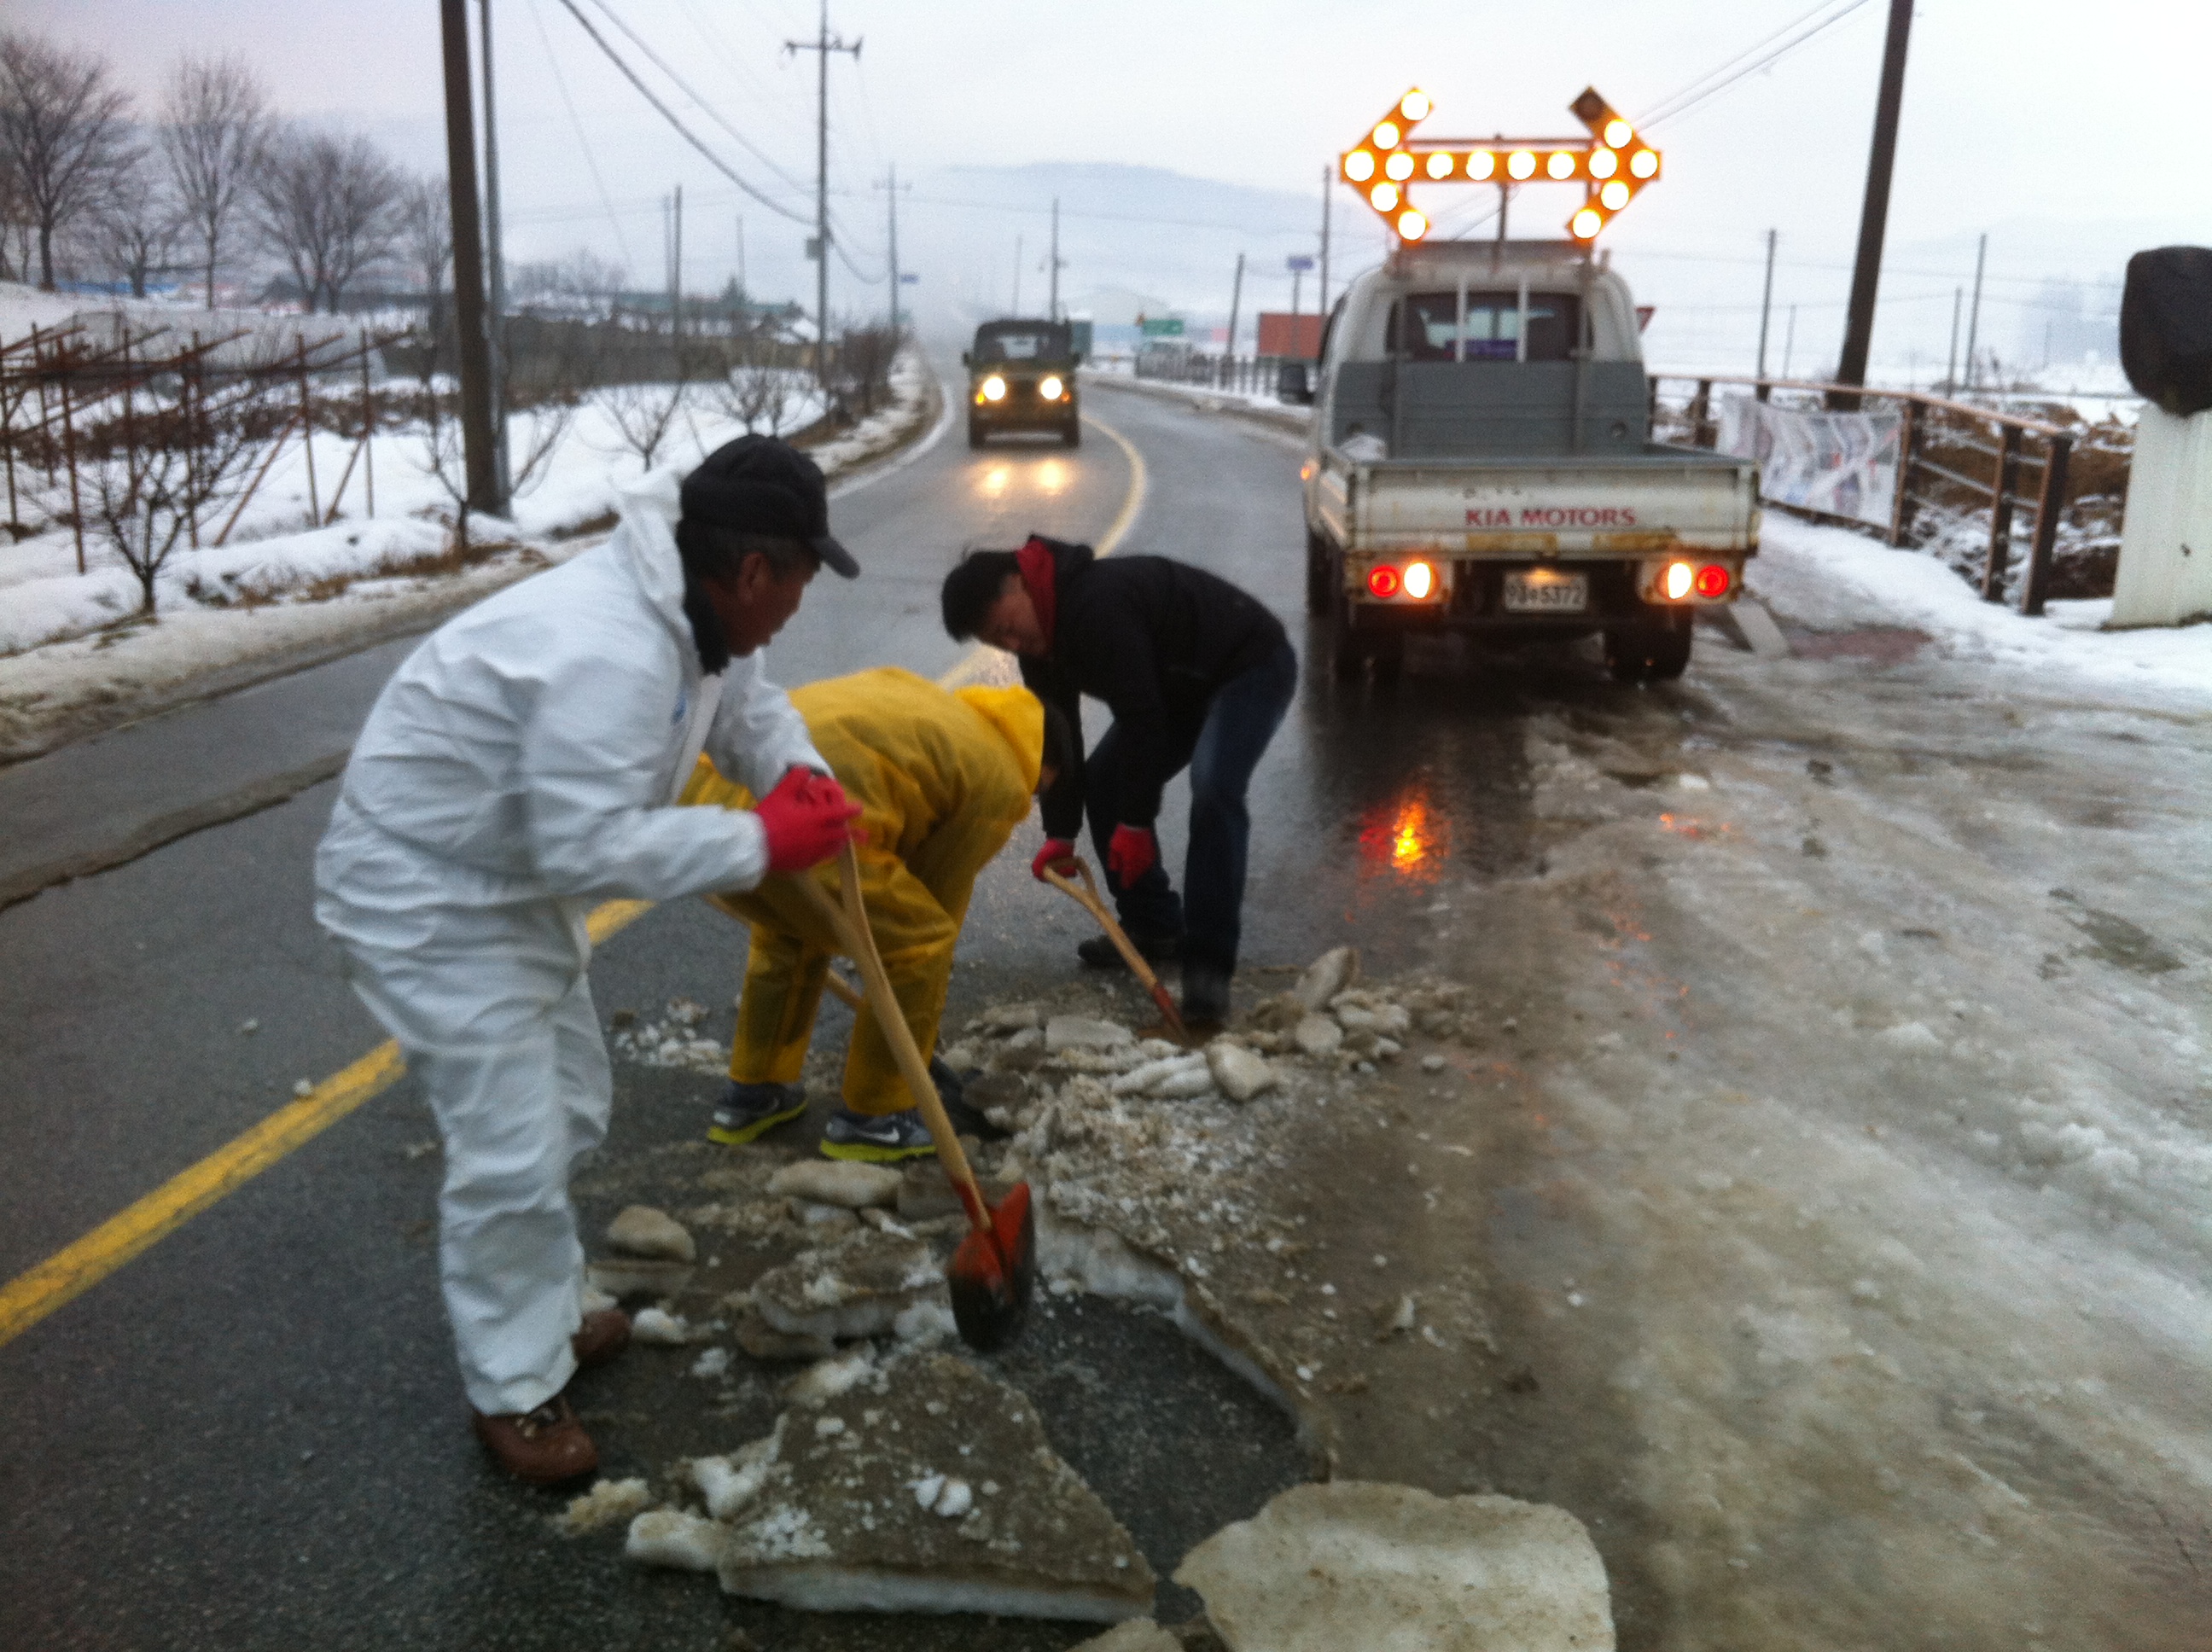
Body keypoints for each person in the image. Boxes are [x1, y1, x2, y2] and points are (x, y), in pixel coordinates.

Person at [313, 436, 861, 1487]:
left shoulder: (701, 620)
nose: (794, 606)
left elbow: (750, 714)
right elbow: (585, 842)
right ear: (752, 572)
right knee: (511, 1146)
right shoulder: (610, 646)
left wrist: (806, 780)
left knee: (567, 1099)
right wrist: (761, 842)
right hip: (422, 894)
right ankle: (513, 1386)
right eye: (796, 580)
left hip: (502, 880)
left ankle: (550, 1311)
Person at [679, 667, 1074, 1160]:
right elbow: (937, 892)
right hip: (811, 822)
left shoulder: (940, 708)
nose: (1031, 799)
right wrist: (914, 1017)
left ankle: (753, 1094)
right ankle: (876, 1116)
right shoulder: (1002, 775)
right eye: (1041, 791)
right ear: (1044, 762)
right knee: (919, 941)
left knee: (792, 931)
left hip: (711, 800)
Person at [940, 535, 1297, 1028]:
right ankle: (1153, 928)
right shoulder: (1040, 643)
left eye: (1008, 629)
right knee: (1106, 780)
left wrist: (1135, 822)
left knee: (1214, 788)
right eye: (999, 643)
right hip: (1177, 687)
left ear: (1019, 584)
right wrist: (1060, 834)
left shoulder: (1095, 604)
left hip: (1248, 667)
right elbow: (1059, 734)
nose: (1014, 645)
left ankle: (1208, 977)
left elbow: (1142, 718)